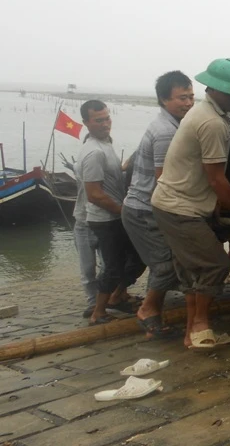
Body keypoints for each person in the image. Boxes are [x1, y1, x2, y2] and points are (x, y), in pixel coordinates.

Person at [151, 59, 230, 349]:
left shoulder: (203, 112)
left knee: (192, 271)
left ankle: (193, 335)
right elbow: (217, 180)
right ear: (213, 89)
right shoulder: (212, 123)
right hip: (179, 207)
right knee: (215, 264)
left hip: (175, 203)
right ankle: (201, 323)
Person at [121, 71, 194, 338]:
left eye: (191, 97)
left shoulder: (173, 125)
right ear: (164, 99)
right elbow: (164, 181)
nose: (188, 103)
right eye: (182, 98)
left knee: (167, 262)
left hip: (148, 206)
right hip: (144, 209)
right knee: (165, 264)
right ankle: (147, 310)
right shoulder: (166, 132)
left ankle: (153, 317)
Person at [77, 100, 146, 325]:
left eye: (107, 118)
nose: (105, 124)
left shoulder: (105, 143)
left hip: (115, 216)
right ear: (86, 123)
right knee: (114, 266)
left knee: (135, 257)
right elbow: (94, 194)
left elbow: (113, 175)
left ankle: (118, 296)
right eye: (99, 120)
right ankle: (98, 312)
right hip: (105, 219)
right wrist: (124, 211)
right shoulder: (94, 152)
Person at [72, 152, 102, 318]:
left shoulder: (107, 167)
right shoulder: (80, 166)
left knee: (108, 266)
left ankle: (105, 297)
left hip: (103, 222)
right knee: (87, 268)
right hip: (82, 222)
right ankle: (92, 302)